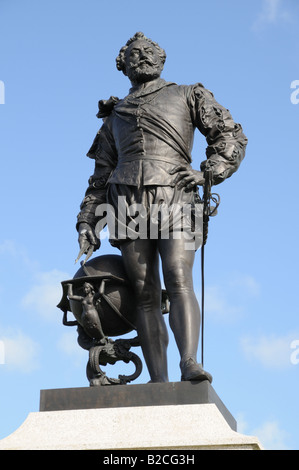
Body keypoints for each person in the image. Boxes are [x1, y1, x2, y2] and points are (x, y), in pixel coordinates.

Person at [76, 32, 247, 383]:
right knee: (144, 293)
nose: (142, 57)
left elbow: (230, 135)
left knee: (178, 277)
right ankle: (159, 381)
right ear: (122, 65)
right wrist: (87, 221)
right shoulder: (114, 115)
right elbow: (100, 175)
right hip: (125, 202)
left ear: (161, 58)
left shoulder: (188, 94)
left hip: (176, 197)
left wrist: (208, 171)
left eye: (148, 51)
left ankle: (189, 363)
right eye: (134, 54)